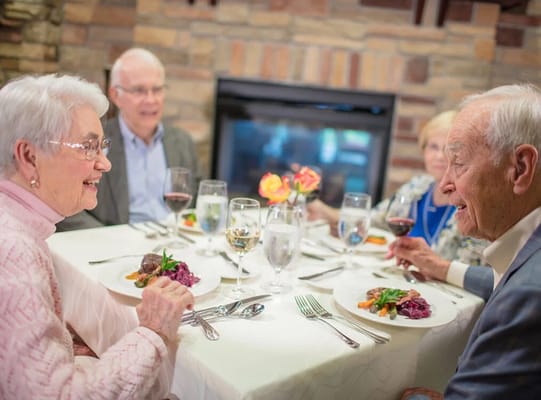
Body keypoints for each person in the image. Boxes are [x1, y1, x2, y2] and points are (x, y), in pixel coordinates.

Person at [0, 73, 194, 398]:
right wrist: (153, 330)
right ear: (30, 157)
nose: (104, 164)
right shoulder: (13, 250)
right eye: (88, 148)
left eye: (101, 147)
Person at [404, 83, 541, 399]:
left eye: (459, 162)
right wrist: (438, 266)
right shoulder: (525, 255)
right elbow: (502, 281)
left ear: (520, 168)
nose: (444, 183)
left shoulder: (529, 296)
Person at [307, 110, 487, 271]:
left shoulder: (471, 203)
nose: (439, 156)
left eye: (447, 149)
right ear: (423, 150)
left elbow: (470, 270)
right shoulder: (416, 188)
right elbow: (372, 221)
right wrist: (322, 210)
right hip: (401, 276)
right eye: (433, 147)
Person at [57, 47, 202, 231]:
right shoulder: (93, 142)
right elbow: (65, 205)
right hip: (117, 246)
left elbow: (199, 200)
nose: (151, 100)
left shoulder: (182, 142)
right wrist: (110, 238)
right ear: (116, 95)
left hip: (174, 242)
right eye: (139, 91)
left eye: (157, 89)